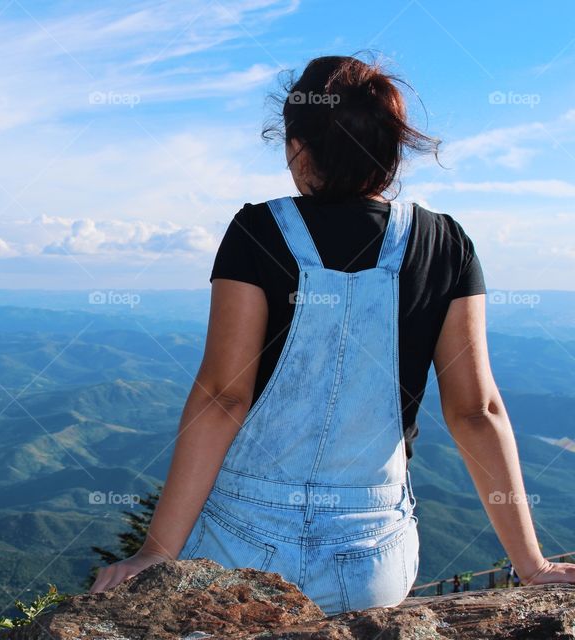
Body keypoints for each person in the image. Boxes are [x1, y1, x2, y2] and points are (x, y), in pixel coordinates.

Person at [88, 53, 575, 614]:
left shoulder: (258, 231)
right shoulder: (446, 244)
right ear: (394, 150)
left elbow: (224, 396)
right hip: (373, 559)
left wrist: (155, 551)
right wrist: (532, 565)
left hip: (239, 550)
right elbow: (477, 411)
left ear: (297, 145)